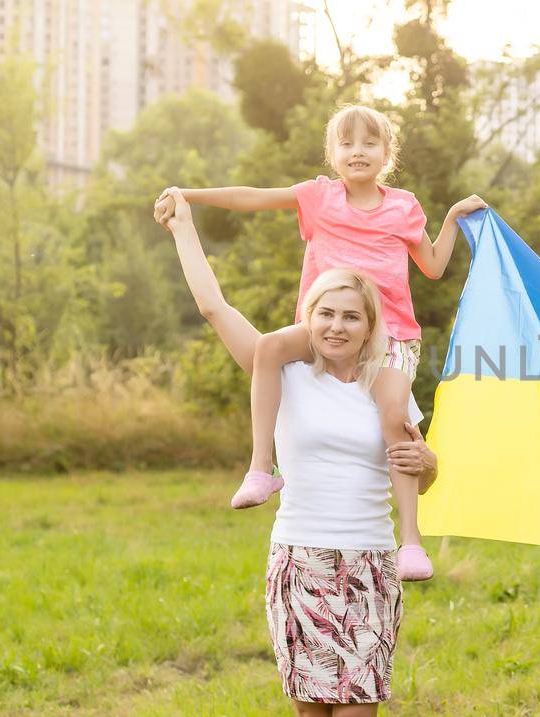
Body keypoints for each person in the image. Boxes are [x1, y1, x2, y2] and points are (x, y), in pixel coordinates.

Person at [154, 104, 486, 581]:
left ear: (387, 154)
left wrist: (453, 217)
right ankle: (260, 468)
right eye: (347, 144)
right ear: (332, 154)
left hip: (390, 334)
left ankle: (410, 542)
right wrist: (189, 195)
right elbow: (251, 198)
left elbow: (432, 267)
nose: (358, 152)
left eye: (370, 143)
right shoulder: (317, 197)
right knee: (268, 347)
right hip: (322, 330)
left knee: (395, 417)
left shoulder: (403, 206)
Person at [161, 188, 433, 715]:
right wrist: (182, 227)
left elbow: (418, 476)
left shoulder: (391, 387)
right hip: (299, 561)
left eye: (351, 317)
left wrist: (431, 464)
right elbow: (213, 307)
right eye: (326, 313)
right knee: (310, 711)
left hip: (370, 565)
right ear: (309, 317)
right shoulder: (283, 374)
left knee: (357, 709)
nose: (337, 326)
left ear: (370, 326)